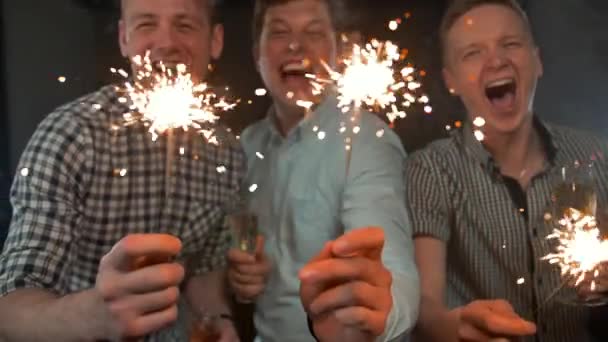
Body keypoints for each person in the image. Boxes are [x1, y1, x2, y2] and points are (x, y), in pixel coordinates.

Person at [0, 0, 243, 341]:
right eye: (146, 25)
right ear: (123, 38)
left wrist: (217, 317)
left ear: (215, 41)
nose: (166, 43)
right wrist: (95, 315)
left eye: (185, 25)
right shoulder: (71, 135)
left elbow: (202, 269)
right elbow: (8, 310)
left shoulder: (227, 153)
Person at [407, 0, 608, 341]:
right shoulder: (430, 170)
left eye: (510, 44)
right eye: (473, 53)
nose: (497, 60)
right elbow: (425, 307)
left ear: (537, 61)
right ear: (451, 80)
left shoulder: (596, 154)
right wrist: (457, 328)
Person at [226, 0, 420, 341]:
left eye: (313, 32)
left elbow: (396, 272)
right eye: (280, 32)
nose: (295, 45)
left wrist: (380, 312)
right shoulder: (245, 145)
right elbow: (243, 251)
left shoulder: (367, 141)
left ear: (339, 52)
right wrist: (242, 277)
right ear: (258, 53)